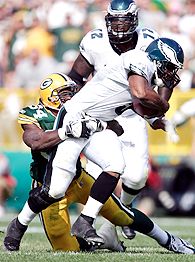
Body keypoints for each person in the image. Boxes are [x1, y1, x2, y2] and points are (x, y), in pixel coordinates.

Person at [4, 72, 195, 255]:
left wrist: (107, 123)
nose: (70, 97)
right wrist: (67, 131)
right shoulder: (35, 115)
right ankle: (100, 240)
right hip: (46, 188)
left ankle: (168, 240)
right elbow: (35, 141)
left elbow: (116, 120)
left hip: (78, 179)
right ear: (49, 97)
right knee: (70, 250)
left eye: (72, 92)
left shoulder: (80, 109)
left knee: (122, 215)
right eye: (64, 94)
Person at [67, 0, 176, 240]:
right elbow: (76, 77)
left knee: (137, 176)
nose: (117, 27)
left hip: (132, 114)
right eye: (113, 21)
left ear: (134, 20)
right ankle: (88, 225)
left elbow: (164, 78)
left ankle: (124, 213)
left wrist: (157, 111)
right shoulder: (95, 41)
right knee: (99, 174)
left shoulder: (149, 41)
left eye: (123, 21)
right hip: (102, 117)